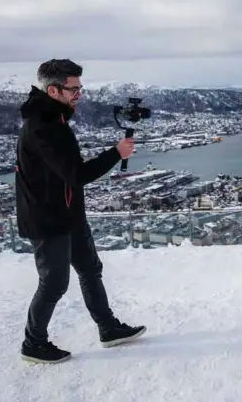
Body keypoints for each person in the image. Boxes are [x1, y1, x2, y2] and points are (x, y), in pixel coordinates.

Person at [15, 59, 146, 363]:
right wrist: (116, 153)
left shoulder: (55, 119)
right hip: (47, 218)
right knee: (54, 282)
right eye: (74, 89)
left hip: (69, 212)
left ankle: (108, 328)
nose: (79, 94)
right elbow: (76, 174)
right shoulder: (42, 127)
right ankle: (33, 343)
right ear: (53, 90)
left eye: (80, 88)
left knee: (90, 269)